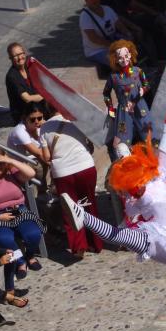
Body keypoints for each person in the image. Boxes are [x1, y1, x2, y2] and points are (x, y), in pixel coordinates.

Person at [61, 106, 166, 264]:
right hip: (159, 244)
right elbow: (130, 213)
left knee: (121, 234)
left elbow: (164, 151)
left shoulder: (159, 177)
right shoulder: (134, 199)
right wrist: (134, 198)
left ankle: (83, 216)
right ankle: (83, 216)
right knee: (118, 235)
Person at [0, 147, 46, 276]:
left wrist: (9, 160)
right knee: (4, 239)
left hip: (19, 210)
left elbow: (31, 173)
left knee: (34, 234)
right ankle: (20, 262)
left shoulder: (11, 171)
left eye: (0, 162)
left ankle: (29, 256)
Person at [41, 108, 102, 258]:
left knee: (70, 210)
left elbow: (46, 157)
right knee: (89, 205)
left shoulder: (44, 128)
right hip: (85, 167)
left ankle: (78, 247)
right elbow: (91, 144)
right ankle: (95, 243)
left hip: (63, 173)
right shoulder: (76, 118)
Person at [103, 40, 153, 148]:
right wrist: (111, 111)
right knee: (122, 143)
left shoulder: (138, 71)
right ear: (115, 59)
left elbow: (147, 85)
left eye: (126, 56)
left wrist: (143, 90)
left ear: (130, 55)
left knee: (149, 136)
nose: (124, 59)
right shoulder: (113, 77)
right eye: (120, 57)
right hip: (123, 112)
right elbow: (106, 94)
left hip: (141, 108)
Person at [79, 0, 138, 70]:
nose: (95, 0)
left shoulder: (107, 9)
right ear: (86, 0)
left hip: (113, 43)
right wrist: (113, 46)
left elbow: (119, 25)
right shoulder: (85, 16)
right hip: (97, 50)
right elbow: (94, 38)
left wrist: (128, 34)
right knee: (122, 61)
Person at [7, 102, 49, 179]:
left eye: (39, 118)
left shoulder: (41, 126)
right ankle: (43, 189)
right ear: (24, 118)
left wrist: (48, 125)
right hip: (20, 166)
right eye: (32, 119)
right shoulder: (19, 131)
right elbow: (39, 154)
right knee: (41, 164)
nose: (37, 121)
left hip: (31, 160)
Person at [5, 43, 44, 125]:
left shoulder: (29, 65)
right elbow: (27, 98)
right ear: (10, 58)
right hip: (23, 112)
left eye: (20, 54)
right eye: (15, 56)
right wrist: (47, 95)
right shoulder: (12, 76)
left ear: (24, 53)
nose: (19, 58)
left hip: (36, 105)